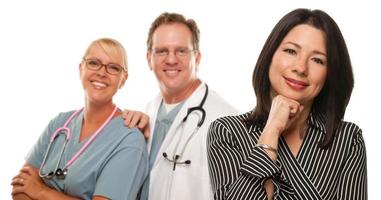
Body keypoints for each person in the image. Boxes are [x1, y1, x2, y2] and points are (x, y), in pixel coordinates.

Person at [207, 8, 367, 200]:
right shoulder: (227, 131)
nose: (300, 68)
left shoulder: (348, 140)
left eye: (317, 60)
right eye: (291, 51)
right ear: (270, 55)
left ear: (329, 73)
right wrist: (272, 130)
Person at [11, 38, 148, 200]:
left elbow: (32, 189)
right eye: (93, 63)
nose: (102, 73)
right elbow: (21, 187)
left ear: (123, 79)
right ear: (80, 68)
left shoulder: (129, 140)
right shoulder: (59, 123)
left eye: (113, 68)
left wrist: (41, 191)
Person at [123, 12, 238, 200]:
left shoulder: (228, 122)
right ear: (148, 59)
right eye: (161, 51)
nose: (171, 60)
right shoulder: (147, 113)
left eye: (181, 51)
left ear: (197, 58)